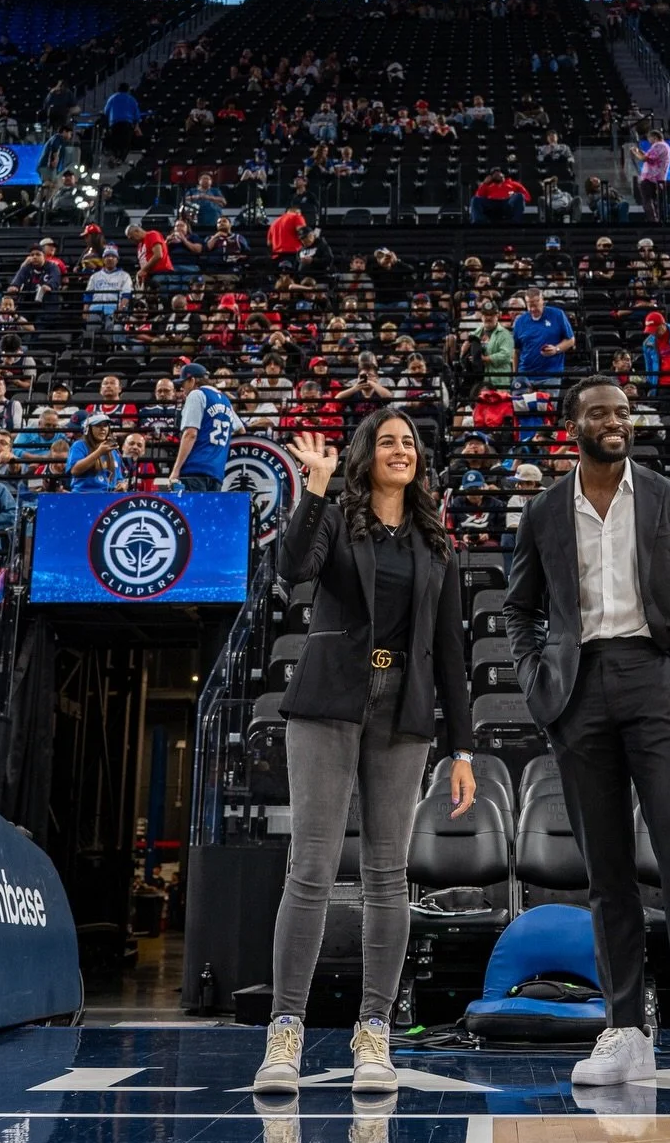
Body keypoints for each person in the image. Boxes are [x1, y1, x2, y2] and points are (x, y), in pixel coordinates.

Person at [503, 377, 670, 1094]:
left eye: (621, 412)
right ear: (572, 424)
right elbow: (518, 609)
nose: (614, 421)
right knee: (605, 872)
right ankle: (626, 1029)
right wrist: (540, 684)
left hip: (655, 680)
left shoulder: (668, 498)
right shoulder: (544, 511)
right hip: (578, 691)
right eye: (599, 412)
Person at [252, 414, 476, 1096]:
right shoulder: (337, 517)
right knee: (312, 869)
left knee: (387, 874)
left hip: (400, 711)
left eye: (410, 442)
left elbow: (451, 656)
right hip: (327, 701)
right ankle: (285, 1030)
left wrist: (462, 746)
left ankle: (372, 1031)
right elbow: (294, 570)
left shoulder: (435, 546)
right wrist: (312, 492)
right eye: (388, 441)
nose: (401, 450)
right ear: (366, 455)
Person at [161, 362, 240, 491]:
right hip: (217, 471)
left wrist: (176, 470)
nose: (182, 389)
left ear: (192, 380)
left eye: (183, 384)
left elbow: (190, 434)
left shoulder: (196, 394)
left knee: (191, 511)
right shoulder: (225, 400)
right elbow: (240, 429)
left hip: (195, 468)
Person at [511, 284, 574, 387]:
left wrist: (556, 349)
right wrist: (515, 376)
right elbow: (516, 351)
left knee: (548, 404)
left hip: (551, 375)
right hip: (525, 375)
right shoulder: (520, 321)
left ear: (542, 301)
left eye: (535, 305)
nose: (532, 309)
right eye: (529, 305)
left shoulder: (557, 315)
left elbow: (571, 340)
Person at [66, 413, 122, 491]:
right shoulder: (79, 445)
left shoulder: (113, 451)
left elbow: (119, 478)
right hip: (83, 496)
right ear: (88, 429)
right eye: (98, 425)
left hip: (109, 498)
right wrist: (99, 452)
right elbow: (75, 470)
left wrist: (122, 485)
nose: (103, 429)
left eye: (105, 425)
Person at [630, 129, 670, 221]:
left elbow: (644, 159)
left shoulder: (658, 145)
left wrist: (635, 153)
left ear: (655, 137)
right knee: (656, 201)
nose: (649, 141)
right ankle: (657, 218)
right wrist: (639, 151)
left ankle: (653, 220)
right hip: (657, 179)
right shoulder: (665, 146)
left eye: (649, 138)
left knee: (647, 200)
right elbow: (650, 158)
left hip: (650, 179)